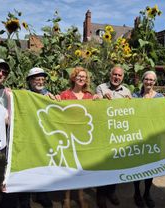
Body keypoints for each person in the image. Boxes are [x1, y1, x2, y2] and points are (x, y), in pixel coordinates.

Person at [95, 66, 131, 208]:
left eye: (119, 75)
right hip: (105, 133)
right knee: (104, 164)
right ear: (110, 75)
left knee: (116, 164)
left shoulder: (127, 91)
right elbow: (96, 108)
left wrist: (131, 103)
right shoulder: (101, 88)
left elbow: (130, 112)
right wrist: (102, 99)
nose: (117, 77)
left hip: (119, 133)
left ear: (122, 77)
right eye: (114, 74)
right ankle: (101, 194)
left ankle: (112, 191)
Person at [20, 67, 55, 208]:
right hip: (28, 136)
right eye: (36, 79)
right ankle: (25, 199)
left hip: (43, 136)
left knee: (43, 165)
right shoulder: (24, 94)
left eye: (42, 79)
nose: (40, 82)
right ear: (30, 81)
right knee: (27, 167)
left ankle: (41, 194)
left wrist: (55, 100)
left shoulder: (48, 95)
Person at [59, 66, 92, 208]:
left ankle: (80, 196)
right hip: (68, 135)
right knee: (68, 167)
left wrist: (99, 100)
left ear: (86, 80)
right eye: (79, 76)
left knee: (81, 168)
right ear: (73, 77)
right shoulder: (65, 95)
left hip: (83, 137)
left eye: (84, 77)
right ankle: (66, 198)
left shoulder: (89, 97)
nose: (81, 78)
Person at [132, 71, 163, 208]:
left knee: (151, 168)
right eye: (146, 79)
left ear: (155, 82)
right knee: (137, 167)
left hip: (153, 137)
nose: (149, 82)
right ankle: (137, 193)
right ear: (143, 81)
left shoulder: (160, 98)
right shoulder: (135, 96)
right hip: (137, 137)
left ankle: (147, 193)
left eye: (151, 80)